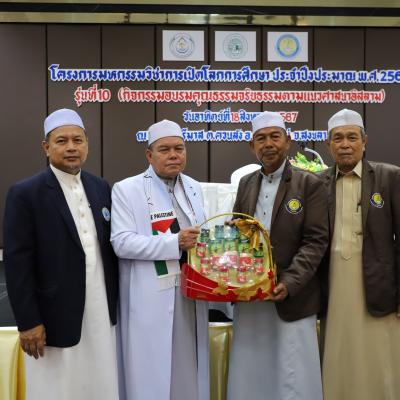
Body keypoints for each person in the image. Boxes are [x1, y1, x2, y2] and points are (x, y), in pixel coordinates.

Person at [3, 108, 119, 400]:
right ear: (46, 147)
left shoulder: (100, 187)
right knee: (56, 387)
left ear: (87, 144)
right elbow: (18, 265)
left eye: (77, 140)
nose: (71, 147)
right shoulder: (25, 193)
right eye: (61, 141)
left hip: (100, 310)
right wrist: (28, 321)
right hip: (52, 315)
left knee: (100, 381)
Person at [227, 111, 328, 400]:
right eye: (261, 138)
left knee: (293, 371)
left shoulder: (309, 183)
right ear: (252, 146)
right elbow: (240, 230)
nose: (268, 144)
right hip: (252, 295)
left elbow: (315, 241)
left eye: (275, 136)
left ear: (288, 141)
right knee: (252, 369)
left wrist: (289, 283)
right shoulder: (246, 183)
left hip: (292, 295)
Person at [111, 119, 209, 400]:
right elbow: (121, 242)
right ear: (149, 155)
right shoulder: (127, 189)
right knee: (151, 370)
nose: (173, 155)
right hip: (151, 294)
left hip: (191, 291)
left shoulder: (193, 187)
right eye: (164, 150)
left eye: (179, 148)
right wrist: (174, 242)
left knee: (188, 366)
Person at [320, 108, 400, 400]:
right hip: (333, 283)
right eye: (338, 138)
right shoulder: (317, 183)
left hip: (379, 283)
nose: (345, 144)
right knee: (338, 353)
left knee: (380, 356)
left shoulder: (389, 177)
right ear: (328, 144)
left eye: (352, 137)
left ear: (364, 141)